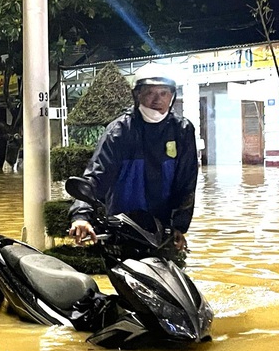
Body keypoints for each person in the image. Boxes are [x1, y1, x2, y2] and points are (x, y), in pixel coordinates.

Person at [68, 64, 198, 252]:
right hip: (123, 229)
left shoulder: (182, 131)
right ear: (136, 95)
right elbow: (96, 177)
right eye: (150, 93)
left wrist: (179, 226)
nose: (157, 100)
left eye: (164, 93)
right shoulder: (119, 132)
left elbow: (186, 183)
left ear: (172, 96)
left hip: (162, 233)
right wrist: (81, 216)